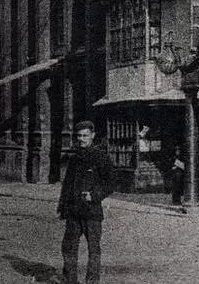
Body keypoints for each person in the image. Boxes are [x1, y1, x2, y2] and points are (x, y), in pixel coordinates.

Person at [57, 120, 113, 284]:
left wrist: (94, 196)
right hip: (74, 211)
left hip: (91, 212)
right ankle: (70, 280)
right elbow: (67, 184)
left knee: (93, 249)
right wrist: (63, 206)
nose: (81, 139)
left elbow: (110, 183)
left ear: (93, 136)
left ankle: (92, 281)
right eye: (79, 136)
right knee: (68, 247)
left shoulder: (101, 157)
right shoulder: (74, 158)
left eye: (85, 136)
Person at [170, 146, 187, 213]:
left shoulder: (183, 157)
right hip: (176, 175)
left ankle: (180, 201)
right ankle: (177, 201)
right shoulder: (174, 157)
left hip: (181, 175)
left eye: (178, 150)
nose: (177, 152)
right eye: (176, 150)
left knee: (180, 188)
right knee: (176, 188)